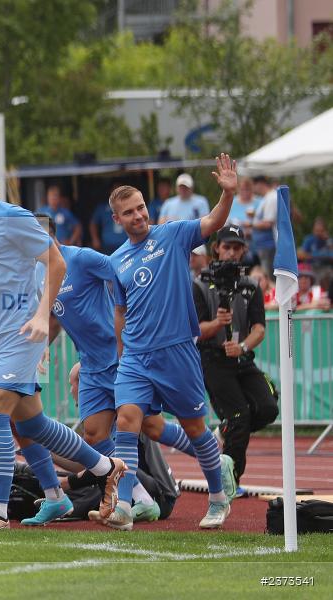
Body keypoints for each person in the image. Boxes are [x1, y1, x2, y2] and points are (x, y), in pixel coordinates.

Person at [0, 147, 124, 531]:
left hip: (21, 334)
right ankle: (106, 468)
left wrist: (41, 315)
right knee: (31, 425)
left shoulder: (13, 218)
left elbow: (57, 262)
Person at [103, 153, 239, 531]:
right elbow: (120, 311)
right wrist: (121, 354)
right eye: (129, 212)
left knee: (195, 428)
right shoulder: (115, 261)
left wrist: (227, 194)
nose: (138, 215)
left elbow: (213, 222)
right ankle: (124, 506)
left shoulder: (173, 233)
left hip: (177, 351)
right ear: (117, 219)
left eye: (141, 207)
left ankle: (218, 498)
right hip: (136, 357)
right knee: (127, 421)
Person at [43, 215, 200, 524]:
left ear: (50, 236)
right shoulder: (39, 275)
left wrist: (130, 320)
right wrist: (41, 348)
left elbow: (122, 273)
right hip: (90, 364)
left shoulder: (82, 258)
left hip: (117, 357)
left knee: (151, 426)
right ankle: (142, 499)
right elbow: (54, 318)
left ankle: (213, 458)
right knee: (94, 434)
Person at [194, 225, 279, 493]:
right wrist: (217, 324)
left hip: (241, 359)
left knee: (268, 408)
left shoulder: (251, 286)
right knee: (239, 416)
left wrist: (241, 347)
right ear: (216, 249)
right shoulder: (199, 284)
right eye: (227, 247)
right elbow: (195, 330)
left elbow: (259, 329)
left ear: (244, 251)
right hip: (213, 360)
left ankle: (226, 430)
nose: (231, 252)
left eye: (236, 247)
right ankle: (231, 482)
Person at [251, 175, 277, 277]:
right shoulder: (266, 198)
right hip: (263, 245)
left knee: (268, 275)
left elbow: (268, 223)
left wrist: (250, 224)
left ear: (260, 184)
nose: (254, 189)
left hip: (268, 245)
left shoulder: (271, 197)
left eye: (254, 185)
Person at [299, 217, 332, 287]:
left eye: (321, 231)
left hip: (325, 267)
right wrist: (319, 255)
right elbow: (301, 255)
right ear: (313, 230)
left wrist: (328, 241)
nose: (318, 233)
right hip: (311, 267)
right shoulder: (309, 239)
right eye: (317, 230)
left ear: (325, 231)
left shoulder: (329, 241)